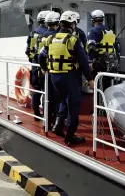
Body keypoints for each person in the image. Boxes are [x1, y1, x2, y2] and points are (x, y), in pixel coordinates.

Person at [39, 11, 94, 145]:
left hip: (54, 77)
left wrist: (43, 68)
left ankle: (57, 126)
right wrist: (90, 79)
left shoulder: (50, 39)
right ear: (73, 24)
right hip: (69, 77)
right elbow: (83, 61)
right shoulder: (73, 40)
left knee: (64, 99)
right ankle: (70, 137)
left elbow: (41, 55)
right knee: (74, 106)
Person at [36, 11, 60, 129]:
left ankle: (46, 121)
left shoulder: (40, 36)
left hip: (42, 70)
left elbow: (38, 53)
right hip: (54, 70)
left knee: (45, 95)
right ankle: (55, 121)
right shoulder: (56, 37)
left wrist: (42, 67)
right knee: (56, 98)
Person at [25, 10, 51, 120]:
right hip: (46, 67)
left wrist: (33, 61)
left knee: (36, 91)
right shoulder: (48, 34)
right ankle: (46, 115)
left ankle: (36, 115)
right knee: (46, 92)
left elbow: (27, 51)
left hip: (35, 66)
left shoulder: (32, 34)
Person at [87, 10, 120, 91]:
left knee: (99, 86)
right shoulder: (110, 31)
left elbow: (91, 48)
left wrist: (90, 61)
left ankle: (99, 102)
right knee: (108, 85)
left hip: (99, 64)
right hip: (111, 62)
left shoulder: (93, 31)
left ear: (93, 20)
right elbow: (117, 47)